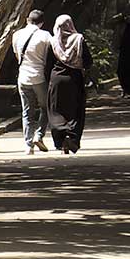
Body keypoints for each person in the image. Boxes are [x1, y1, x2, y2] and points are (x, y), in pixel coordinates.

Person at [46, 14, 93, 155]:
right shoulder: (79, 39)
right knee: (75, 109)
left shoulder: (53, 42)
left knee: (55, 110)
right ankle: (72, 137)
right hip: (74, 79)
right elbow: (88, 61)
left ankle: (60, 141)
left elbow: (47, 64)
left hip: (56, 80)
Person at [12, 9, 52, 154]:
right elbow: (50, 57)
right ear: (41, 23)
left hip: (23, 77)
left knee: (27, 112)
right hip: (39, 77)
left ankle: (28, 146)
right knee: (46, 107)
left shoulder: (16, 35)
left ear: (27, 20)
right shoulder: (46, 36)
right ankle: (39, 135)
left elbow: (17, 56)